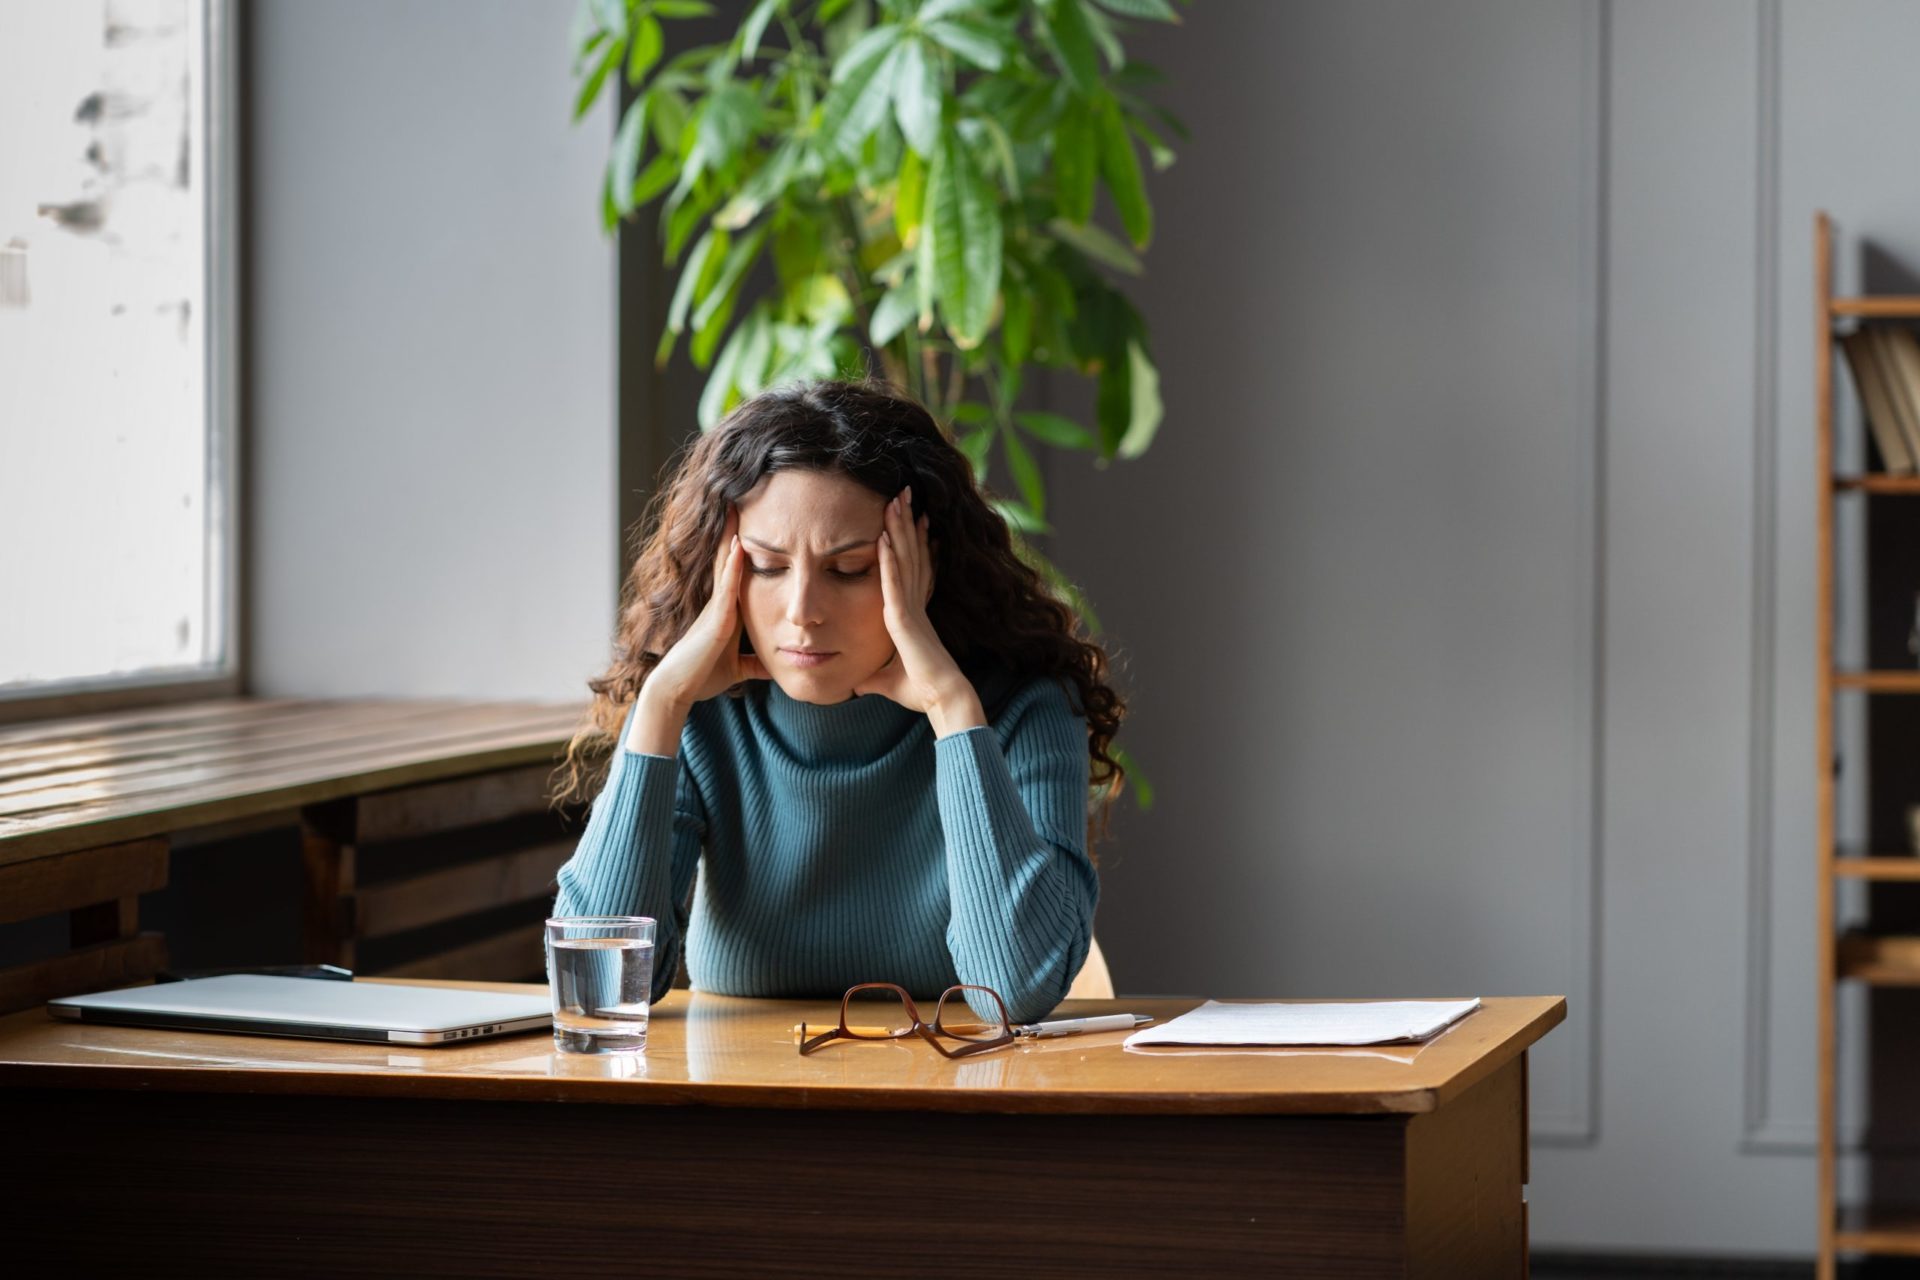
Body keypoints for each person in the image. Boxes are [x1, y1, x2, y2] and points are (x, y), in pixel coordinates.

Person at [551, 379, 1125, 1024]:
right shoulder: (703, 713)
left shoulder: (1024, 705)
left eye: (848, 569)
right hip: (741, 1103)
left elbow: (1016, 990)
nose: (802, 613)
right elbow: (599, 992)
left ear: (923, 564)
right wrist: (658, 708)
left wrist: (953, 711)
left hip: (957, 1100)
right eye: (767, 566)